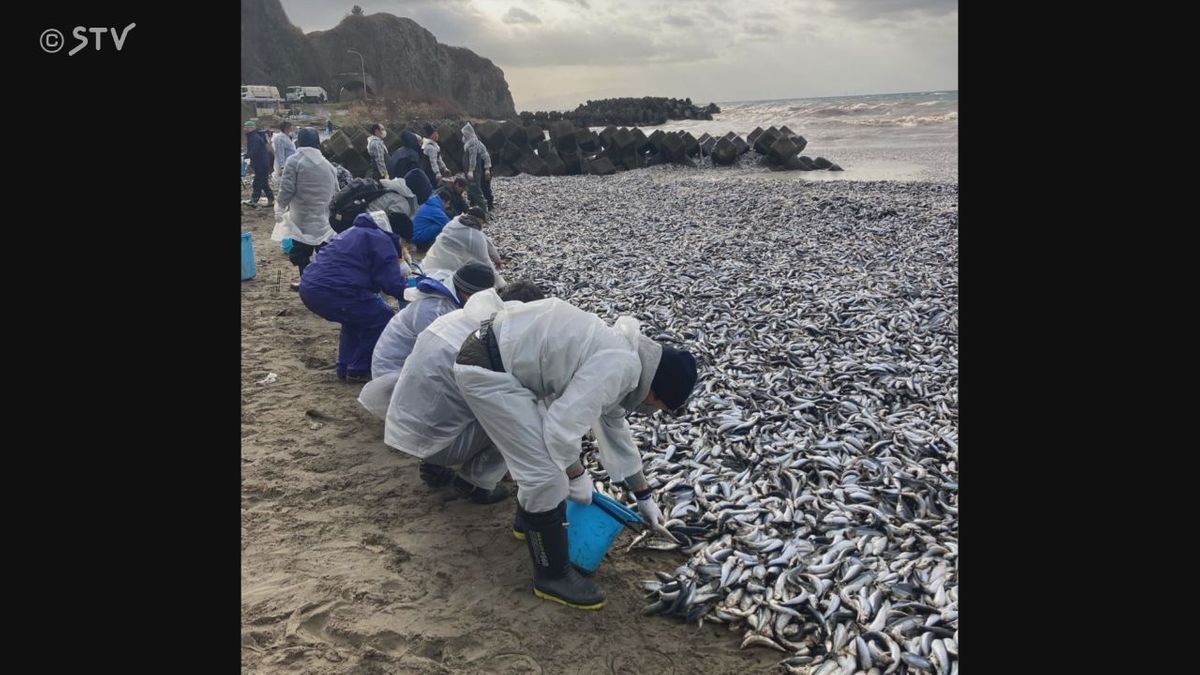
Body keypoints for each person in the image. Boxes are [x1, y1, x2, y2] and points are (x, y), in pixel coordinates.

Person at [453, 299, 698, 610]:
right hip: (488, 371)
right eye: (660, 406)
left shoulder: (627, 359)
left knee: (542, 465)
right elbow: (559, 430)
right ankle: (551, 576)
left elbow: (613, 427)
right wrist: (576, 474)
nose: (652, 410)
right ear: (655, 392)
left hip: (500, 361)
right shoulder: (619, 367)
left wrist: (643, 493)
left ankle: (530, 525)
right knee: (546, 475)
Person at [368, 281, 547, 504]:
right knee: (530, 414)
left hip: (403, 427)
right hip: (442, 442)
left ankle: (433, 466)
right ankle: (476, 483)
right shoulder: (496, 341)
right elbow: (511, 405)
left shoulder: (453, 319)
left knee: (457, 398)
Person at [298, 211, 414, 383]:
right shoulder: (382, 240)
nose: (403, 248)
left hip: (310, 285)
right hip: (332, 290)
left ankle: (345, 366)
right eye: (404, 243)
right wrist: (416, 292)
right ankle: (358, 369)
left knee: (356, 318)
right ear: (398, 235)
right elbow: (392, 285)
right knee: (382, 316)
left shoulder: (357, 231)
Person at [369, 262, 496, 380]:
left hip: (411, 361)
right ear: (468, 293)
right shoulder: (435, 310)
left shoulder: (450, 301)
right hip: (393, 371)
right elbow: (440, 353)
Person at [275, 128, 338, 284]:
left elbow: (287, 189)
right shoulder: (328, 165)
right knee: (324, 252)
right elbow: (336, 191)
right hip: (324, 218)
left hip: (301, 218)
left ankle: (308, 282)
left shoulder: (294, 161)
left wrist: (279, 207)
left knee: (302, 253)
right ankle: (325, 282)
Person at [422, 207, 506, 289]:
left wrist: (497, 259)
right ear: (478, 219)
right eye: (482, 222)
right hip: (444, 271)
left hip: (428, 263)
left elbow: (485, 239)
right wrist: (501, 284)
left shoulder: (455, 222)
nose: (482, 226)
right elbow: (485, 262)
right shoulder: (473, 235)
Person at [461, 123, 494, 212]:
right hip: (479, 167)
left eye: (464, 134)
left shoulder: (473, 143)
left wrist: (472, 170)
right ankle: (477, 205)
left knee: (483, 187)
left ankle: (487, 206)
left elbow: (473, 158)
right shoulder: (471, 142)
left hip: (482, 166)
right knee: (476, 187)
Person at [243, 121, 274, 207]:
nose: (245, 129)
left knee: (257, 182)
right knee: (263, 183)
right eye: (245, 127)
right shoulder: (253, 136)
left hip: (261, 164)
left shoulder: (254, 138)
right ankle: (271, 199)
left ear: (252, 128)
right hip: (261, 163)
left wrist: (245, 156)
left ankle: (254, 200)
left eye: (247, 127)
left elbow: (254, 151)